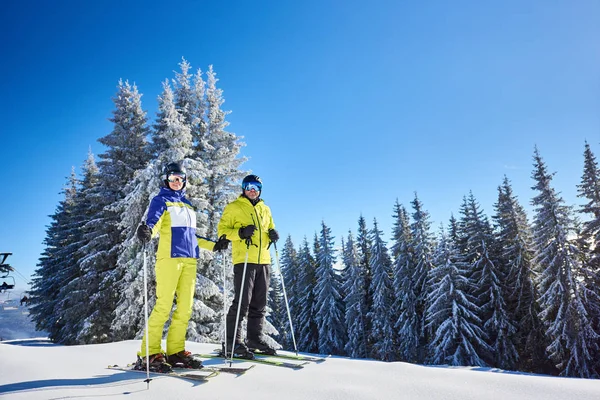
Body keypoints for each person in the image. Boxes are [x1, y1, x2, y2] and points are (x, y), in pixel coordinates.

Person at [135, 162, 230, 372]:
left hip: (190, 260)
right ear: (166, 180)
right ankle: (149, 354)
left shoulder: (187, 205)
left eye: (179, 178)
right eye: (172, 178)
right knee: (163, 306)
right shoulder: (161, 200)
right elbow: (154, 222)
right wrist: (148, 231)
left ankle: (175, 351)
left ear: (184, 180)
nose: (176, 182)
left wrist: (214, 245)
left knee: (185, 308)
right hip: (169, 258)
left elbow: (191, 237)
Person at [217, 174, 279, 359]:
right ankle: (232, 342)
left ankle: (254, 339)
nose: (252, 190)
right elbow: (222, 232)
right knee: (242, 302)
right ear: (243, 188)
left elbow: (270, 228)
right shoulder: (234, 207)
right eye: (249, 186)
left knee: (259, 304)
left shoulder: (265, 208)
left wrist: (273, 234)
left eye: (256, 187)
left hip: (264, 260)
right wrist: (241, 233)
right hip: (244, 260)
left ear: (260, 190)